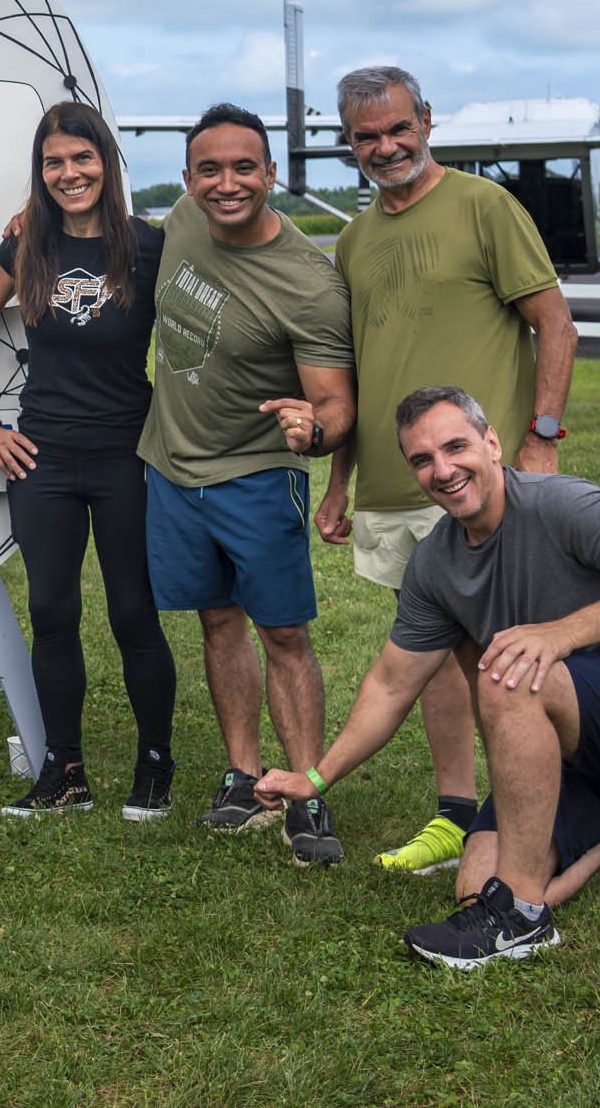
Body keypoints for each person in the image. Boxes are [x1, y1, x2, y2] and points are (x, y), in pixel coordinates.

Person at [258, 386, 600, 968]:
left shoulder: (559, 505)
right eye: (422, 460)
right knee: (475, 887)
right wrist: (317, 779)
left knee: (508, 670)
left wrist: (561, 635)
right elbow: (391, 685)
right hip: (574, 748)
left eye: (456, 447)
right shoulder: (435, 564)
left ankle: (522, 919)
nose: (443, 470)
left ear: (492, 442)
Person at [318, 66, 580, 878]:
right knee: (431, 652)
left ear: (427, 122)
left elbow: (554, 322)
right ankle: (457, 816)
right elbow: (358, 372)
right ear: (349, 144)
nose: (386, 146)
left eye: (399, 128)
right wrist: (339, 483)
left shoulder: (483, 207)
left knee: (506, 658)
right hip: (396, 488)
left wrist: (539, 440)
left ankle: (540, 815)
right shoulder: (355, 239)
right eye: (368, 136)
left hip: (481, 483)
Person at [138, 104, 356, 864]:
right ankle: (241, 774)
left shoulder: (307, 282)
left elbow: (335, 404)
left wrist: (314, 430)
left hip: (257, 474)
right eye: (209, 169)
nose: (226, 184)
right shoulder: (182, 222)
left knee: (285, 634)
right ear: (190, 177)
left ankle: (303, 791)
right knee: (216, 621)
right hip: (171, 466)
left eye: (243, 169)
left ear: (270, 174)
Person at [0, 101, 177, 820]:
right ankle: (65, 772)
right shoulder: (27, 249)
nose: (69, 172)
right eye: (54, 162)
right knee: (51, 612)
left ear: (107, 163)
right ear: (40, 171)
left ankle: (154, 766)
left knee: (133, 615)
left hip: (125, 456)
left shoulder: (150, 248)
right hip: (43, 459)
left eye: (82, 159)